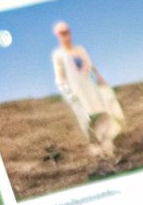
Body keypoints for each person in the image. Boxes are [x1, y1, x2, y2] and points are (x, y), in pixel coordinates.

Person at [51, 20, 126, 169]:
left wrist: (98, 77)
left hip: (90, 89)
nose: (66, 35)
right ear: (57, 35)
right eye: (62, 33)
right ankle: (100, 158)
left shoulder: (79, 49)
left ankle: (109, 151)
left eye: (67, 31)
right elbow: (60, 77)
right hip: (76, 95)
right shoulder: (58, 54)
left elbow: (90, 66)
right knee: (87, 124)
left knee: (104, 116)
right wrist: (69, 94)